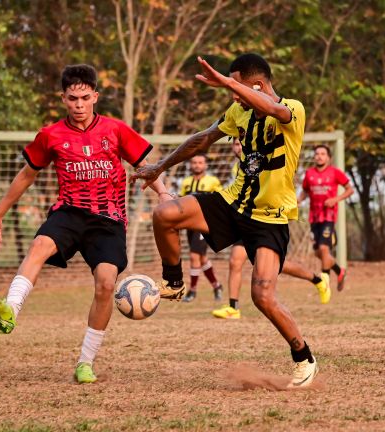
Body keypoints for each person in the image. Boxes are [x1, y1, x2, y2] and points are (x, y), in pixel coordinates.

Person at [133, 53, 319, 388]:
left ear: (258, 85)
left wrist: (228, 82)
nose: (233, 96)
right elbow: (202, 138)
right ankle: (175, 282)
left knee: (262, 297)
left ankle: (303, 356)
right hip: (232, 203)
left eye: (238, 88)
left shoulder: (293, 109)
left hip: (269, 219)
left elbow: (276, 111)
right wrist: (160, 166)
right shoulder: (238, 112)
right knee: (164, 214)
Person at [0, 64, 171, 384]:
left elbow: (145, 165)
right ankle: (9, 311)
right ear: (63, 99)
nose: (79, 104)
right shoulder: (50, 135)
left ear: (95, 96)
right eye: (72, 98)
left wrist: (164, 192)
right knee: (39, 246)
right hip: (68, 212)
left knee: (107, 284)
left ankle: (85, 362)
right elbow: (27, 175)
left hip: (108, 219)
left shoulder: (116, 130)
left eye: (84, 97)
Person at [212, 139, 330, 320]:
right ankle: (233, 307)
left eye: (240, 143)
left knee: (276, 266)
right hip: (245, 221)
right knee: (235, 261)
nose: (238, 147)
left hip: (266, 221)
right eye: (235, 144)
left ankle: (318, 279)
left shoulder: (263, 162)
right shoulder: (239, 168)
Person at [298, 144, 353, 291]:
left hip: (329, 217)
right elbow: (304, 192)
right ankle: (340, 271)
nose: (319, 156)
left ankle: (325, 283)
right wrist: (298, 200)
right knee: (319, 253)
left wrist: (336, 199)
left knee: (324, 248)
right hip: (314, 217)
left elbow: (350, 189)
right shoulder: (309, 174)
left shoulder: (335, 173)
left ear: (328, 157)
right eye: (317, 154)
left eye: (322, 154)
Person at [178, 153, 224, 302]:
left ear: (205, 165)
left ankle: (192, 291)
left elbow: (221, 201)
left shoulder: (213, 182)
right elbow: (181, 203)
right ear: (191, 165)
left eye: (200, 162)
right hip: (189, 225)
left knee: (193, 256)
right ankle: (217, 286)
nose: (197, 165)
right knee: (202, 259)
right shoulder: (185, 183)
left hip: (204, 225)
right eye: (194, 162)